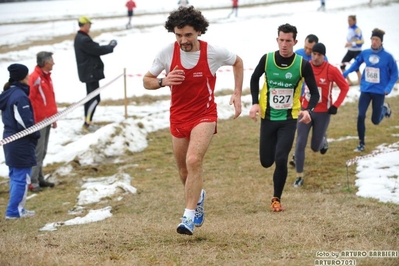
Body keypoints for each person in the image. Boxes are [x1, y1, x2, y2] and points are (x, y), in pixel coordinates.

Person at [143, 6, 243, 235]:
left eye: (188, 35)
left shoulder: (213, 52)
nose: (183, 40)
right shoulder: (167, 53)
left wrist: (237, 93)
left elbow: (238, 62)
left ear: (198, 31)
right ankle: (198, 198)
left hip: (204, 114)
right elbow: (146, 80)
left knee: (194, 159)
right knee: (183, 172)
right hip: (178, 116)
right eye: (178, 35)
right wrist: (163, 81)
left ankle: (187, 218)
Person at [249, 23, 319, 212]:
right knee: (266, 161)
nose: (284, 44)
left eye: (288, 41)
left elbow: (315, 92)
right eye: (281, 40)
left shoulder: (302, 64)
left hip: (289, 120)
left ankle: (276, 198)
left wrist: (308, 110)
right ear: (277, 40)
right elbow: (254, 78)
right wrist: (255, 102)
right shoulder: (267, 59)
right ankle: (271, 160)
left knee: (281, 158)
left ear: (295, 41)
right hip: (268, 117)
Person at [293, 43, 349, 187]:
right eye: (314, 54)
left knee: (315, 147)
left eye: (319, 55)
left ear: (323, 56)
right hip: (306, 110)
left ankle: (323, 140)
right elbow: (298, 85)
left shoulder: (331, 70)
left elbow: (345, 87)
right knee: (300, 142)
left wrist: (336, 105)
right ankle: (299, 176)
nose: (316, 57)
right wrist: (298, 101)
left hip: (323, 112)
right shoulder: (305, 67)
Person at [343, 28, 397, 152]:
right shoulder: (365, 53)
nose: (374, 42)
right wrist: (346, 72)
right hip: (366, 89)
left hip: (379, 91)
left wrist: (388, 87)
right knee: (361, 116)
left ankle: (385, 109)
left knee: (375, 120)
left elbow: (395, 74)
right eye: (372, 39)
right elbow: (356, 64)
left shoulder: (388, 57)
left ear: (381, 42)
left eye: (376, 40)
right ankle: (361, 143)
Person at [0, 64, 40, 219]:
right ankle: (13, 211)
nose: (29, 77)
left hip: (11, 139)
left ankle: (18, 209)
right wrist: (35, 134)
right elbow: (25, 122)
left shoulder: (9, 92)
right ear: (23, 77)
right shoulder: (19, 96)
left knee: (16, 175)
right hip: (19, 141)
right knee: (21, 177)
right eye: (27, 75)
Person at [74, 16, 117, 132]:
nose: (90, 26)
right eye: (89, 24)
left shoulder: (80, 38)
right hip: (90, 74)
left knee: (91, 98)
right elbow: (97, 49)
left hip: (89, 73)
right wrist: (111, 46)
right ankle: (86, 123)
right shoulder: (83, 39)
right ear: (85, 24)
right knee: (94, 99)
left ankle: (87, 122)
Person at [28, 51, 58, 192]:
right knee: (37, 153)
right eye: (52, 60)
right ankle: (33, 182)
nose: (54, 63)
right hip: (38, 121)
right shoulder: (35, 78)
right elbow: (30, 99)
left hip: (47, 119)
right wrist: (33, 120)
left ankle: (40, 178)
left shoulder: (47, 77)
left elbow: (50, 98)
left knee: (43, 151)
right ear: (45, 62)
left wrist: (53, 117)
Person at [340, 15, 364, 85]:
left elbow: (361, 41)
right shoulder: (349, 28)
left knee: (356, 67)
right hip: (350, 51)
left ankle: (360, 82)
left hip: (357, 51)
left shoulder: (357, 30)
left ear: (354, 21)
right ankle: (349, 81)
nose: (349, 22)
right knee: (342, 65)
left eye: (350, 20)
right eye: (348, 21)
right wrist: (348, 44)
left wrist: (351, 44)